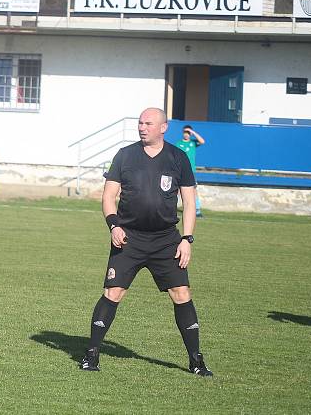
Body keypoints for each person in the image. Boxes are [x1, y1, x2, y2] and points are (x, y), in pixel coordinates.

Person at [78, 107, 213, 377]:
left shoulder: (178, 157)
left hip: (166, 240)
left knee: (182, 294)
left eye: (148, 123)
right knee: (113, 293)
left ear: (163, 127)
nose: (142, 127)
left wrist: (186, 239)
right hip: (129, 238)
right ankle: (91, 355)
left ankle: (196, 361)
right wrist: (114, 225)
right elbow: (108, 197)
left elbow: (188, 202)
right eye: (140, 123)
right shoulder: (125, 155)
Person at [175, 125, 206, 218]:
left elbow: (202, 141)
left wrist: (193, 133)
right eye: (185, 132)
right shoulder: (178, 143)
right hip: (179, 170)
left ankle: (197, 210)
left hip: (191, 170)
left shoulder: (193, 143)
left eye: (188, 133)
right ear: (182, 133)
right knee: (176, 190)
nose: (187, 134)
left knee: (193, 190)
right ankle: (170, 208)